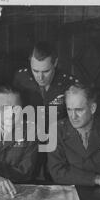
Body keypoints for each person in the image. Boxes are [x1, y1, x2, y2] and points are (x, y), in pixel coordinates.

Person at [12, 41, 79, 181]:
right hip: (29, 144)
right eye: (35, 71)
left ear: (55, 63)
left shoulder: (69, 83)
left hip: (58, 144)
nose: (40, 77)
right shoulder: (20, 78)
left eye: (46, 71)